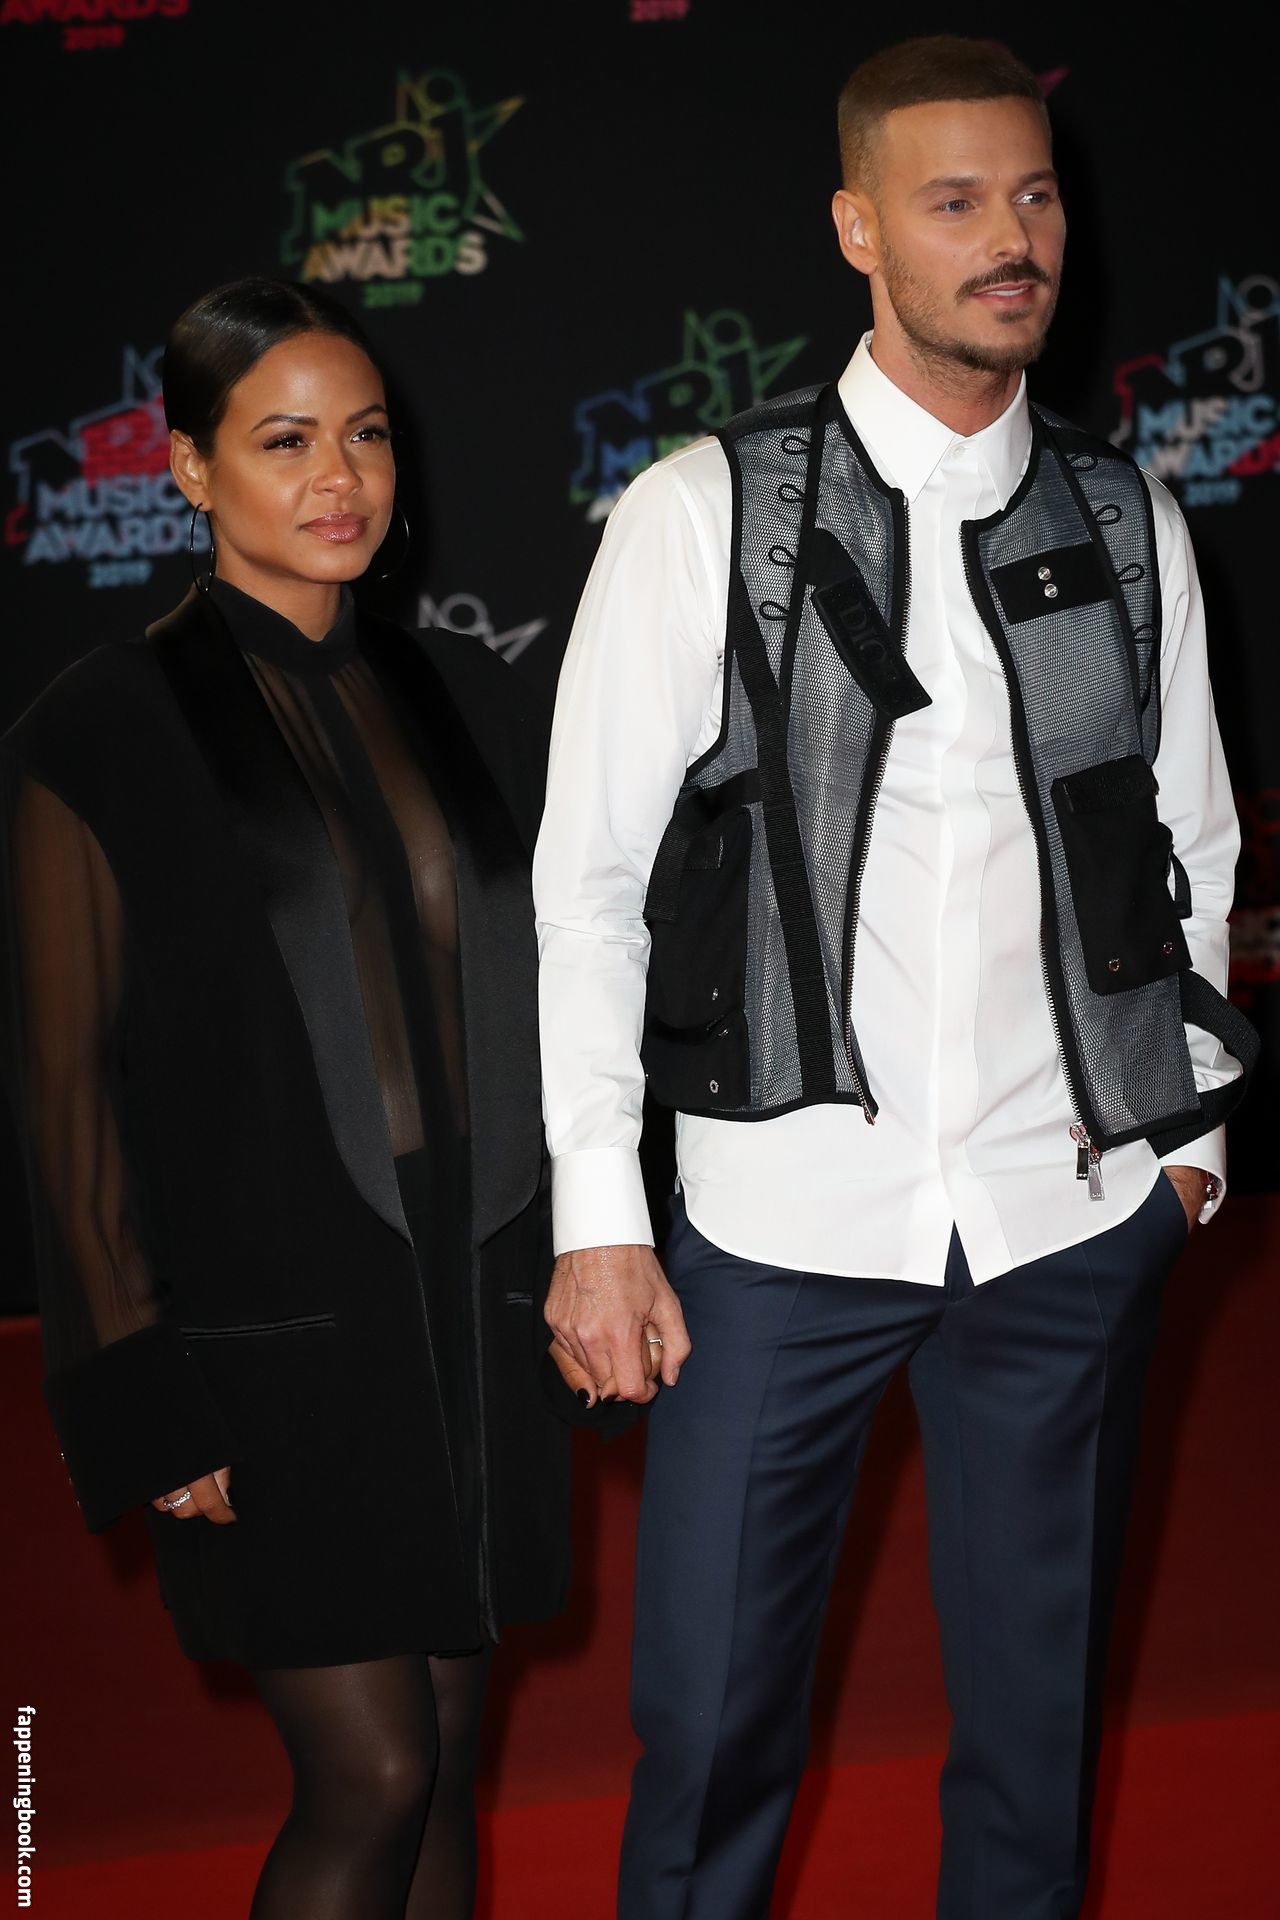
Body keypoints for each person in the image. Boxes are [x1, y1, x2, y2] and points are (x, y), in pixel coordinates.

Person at [534, 35, 1257, 1920]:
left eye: (1034, 195)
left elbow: (1192, 845)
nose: (1013, 239)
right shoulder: (709, 512)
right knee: (710, 1736)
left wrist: (1185, 1152)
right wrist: (602, 1221)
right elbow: (589, 889)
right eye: (955, 203)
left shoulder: (1130, 521)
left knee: (1037, 1747)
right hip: (779, 1222)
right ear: (858, 228)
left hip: (1065, 1217)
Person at [0, 277, 570, 1920]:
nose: (341, 478)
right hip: (270, 1334)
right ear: (189, 468)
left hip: (467, 1305)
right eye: (286, 441)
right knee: (371, 1776)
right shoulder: (97, 731)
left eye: (367, 436)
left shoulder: (452, 693)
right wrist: (142, 1394)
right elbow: (64, 1100)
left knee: (447, 1763)